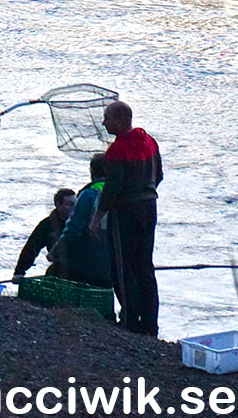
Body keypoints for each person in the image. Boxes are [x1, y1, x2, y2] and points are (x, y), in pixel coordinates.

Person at [90, 101, 163, 336]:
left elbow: (112, 189)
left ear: (121, 120)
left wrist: (97, 217)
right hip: (149, 208)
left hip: (125, 214)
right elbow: (159, 175)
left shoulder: (116, 151)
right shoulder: (149, 141)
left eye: (107, 118)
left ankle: (131, 320)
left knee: (122, 268)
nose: (104, 123)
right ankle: (150, 323)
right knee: (145, 266)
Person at [46, 154, 113, 289]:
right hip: (111, 268)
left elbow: (74, 230)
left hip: (84, 266)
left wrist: (55, 252)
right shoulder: (120, 193)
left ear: (92, 172)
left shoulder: (88, 194)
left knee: (52, 274)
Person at [12, 188, 76, 283]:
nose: (75, 208)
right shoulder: (47, 225)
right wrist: (19, 272)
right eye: (70, 204)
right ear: (58, 205)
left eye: (76, 204)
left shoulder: (82, 223)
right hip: (60, 268)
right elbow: (31, 248)